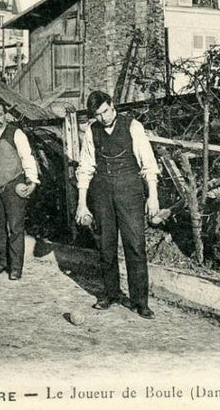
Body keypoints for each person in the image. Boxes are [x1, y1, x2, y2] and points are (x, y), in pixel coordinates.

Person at [75, 90, 159, 320]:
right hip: (102, 194)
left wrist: (153, 196)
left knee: (135, 245)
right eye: (98, 115)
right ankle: (110, 294)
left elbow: (148, 164)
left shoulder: (133, 127)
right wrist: (82, 204)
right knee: (106, 245)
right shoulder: (92, 131)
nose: (103, 118)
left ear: (113, 105)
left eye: (106, 111)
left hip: (130, 192)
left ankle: (140, 301)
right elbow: (85, 167)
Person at [0, 99, 39, 280]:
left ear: (6, 114)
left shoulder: (16, 133)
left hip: (13, 186)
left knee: (15, 228)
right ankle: (2, 262)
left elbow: (27, 158)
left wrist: (31, 181)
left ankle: (16, 268)